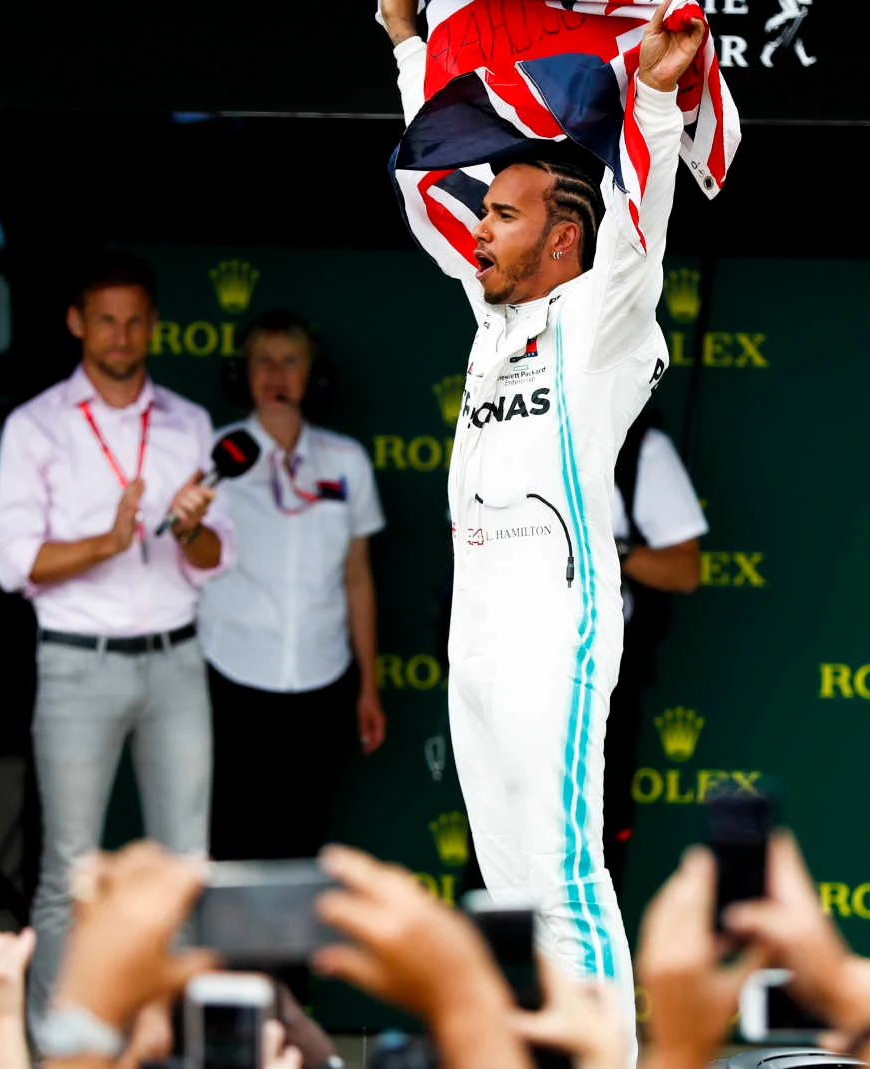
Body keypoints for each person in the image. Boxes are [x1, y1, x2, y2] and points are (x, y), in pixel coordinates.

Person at [381, 0, 710, 1038]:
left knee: (566, 880)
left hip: (552, 625)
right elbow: (422, 187)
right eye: (484, 214)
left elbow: (643, 208)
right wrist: (406, 49)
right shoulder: (496, 313)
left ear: (563, 236)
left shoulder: (601, 314)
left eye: (504, 215)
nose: (479, 224)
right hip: (473, 631)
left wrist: (652, 97)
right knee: (509, 888)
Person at [0, 250, 235, 1039]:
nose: (122, 335)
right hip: (76, 663)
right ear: (76, 324)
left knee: (185, 869)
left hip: (175, 659)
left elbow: (214, 559)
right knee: (69, 871)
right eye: (106, 320)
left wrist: (189, 530)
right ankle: (49, 1046)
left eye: (135, 320)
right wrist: (107, 539)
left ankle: (183, 1044)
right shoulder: (36, 426)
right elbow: (11, 563)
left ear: (153, 327)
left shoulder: (190, 422)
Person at [201, 309, 388, 866]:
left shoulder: (346, 460)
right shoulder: (214, 456)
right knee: (229, 837)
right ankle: (229, 956)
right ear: (244, 374)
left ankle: (290, 956)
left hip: (321, 676)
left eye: (290, 361)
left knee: (302, 837)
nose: (276, 375)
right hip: (231, 673)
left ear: (312, 378)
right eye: (263, 361)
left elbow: (358, 577)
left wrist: (369, 685)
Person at [607, 411, 706, 890]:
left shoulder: (638, 448)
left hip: (601, 680)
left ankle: (585, 966)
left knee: (596, 838)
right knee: (497, 837)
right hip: (506, 670)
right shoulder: (498, 429)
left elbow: (685, 571)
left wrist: (604, 549)